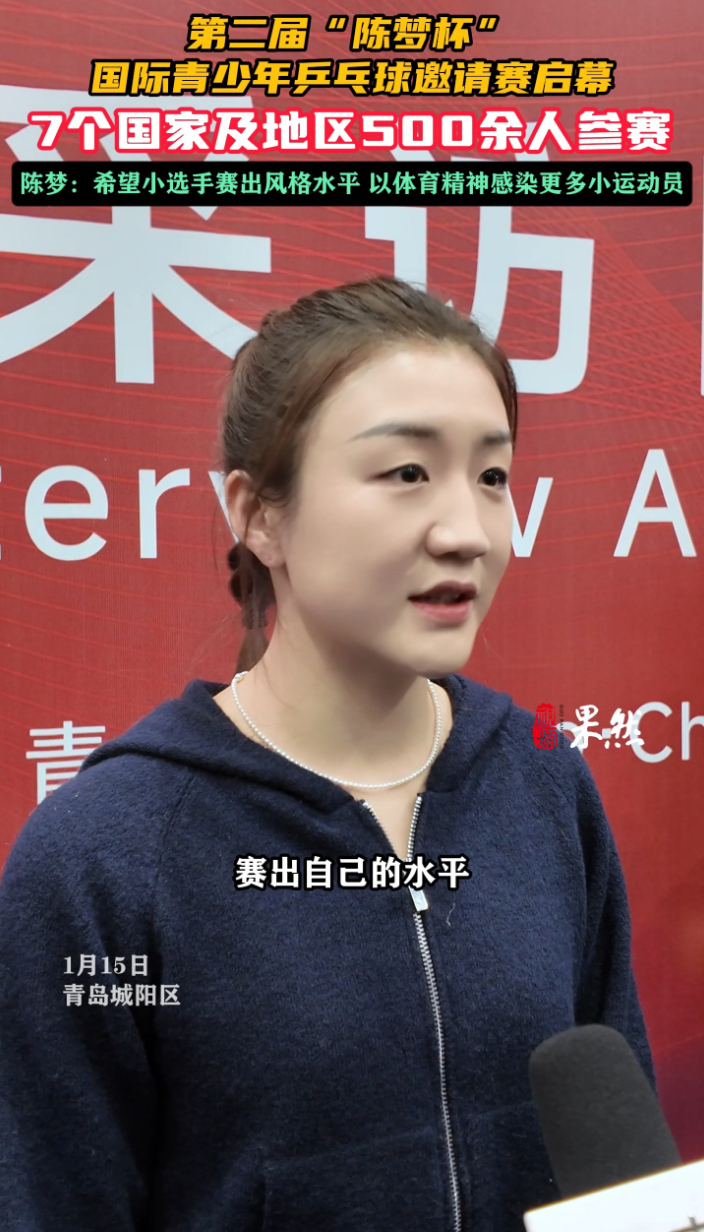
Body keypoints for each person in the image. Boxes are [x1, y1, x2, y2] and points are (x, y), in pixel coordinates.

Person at [0, 275, 656, 1232]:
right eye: (406, 473)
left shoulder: (544, 779)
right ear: (259, 513)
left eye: (492, 476)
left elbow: (621, 1178)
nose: (467, 533)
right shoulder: (104, 856)